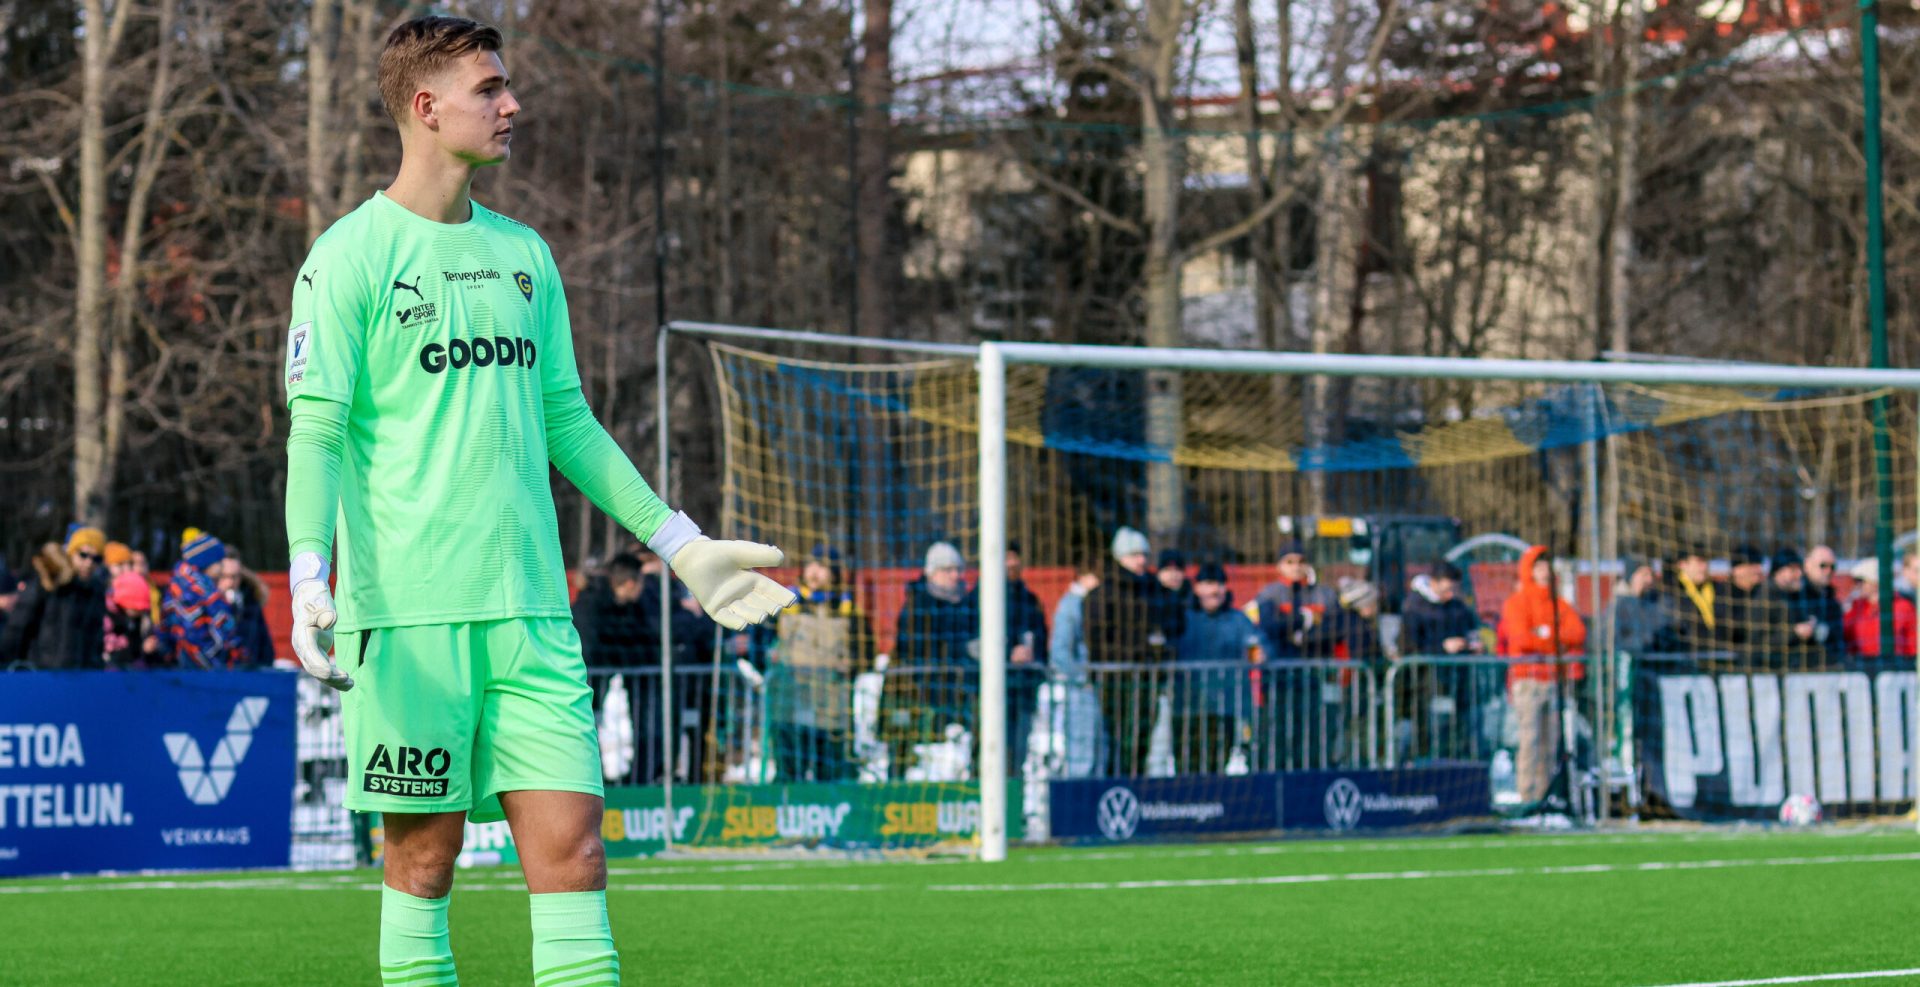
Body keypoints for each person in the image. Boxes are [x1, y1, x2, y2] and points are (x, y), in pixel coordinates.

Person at [280, 17, 793, 983]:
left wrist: (681, 543)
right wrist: (311, 571)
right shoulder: (349, 256)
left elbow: (569, 423)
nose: (512, 104)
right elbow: (316, 432)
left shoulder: (525, 255)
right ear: (426, 108)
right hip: (408, 618)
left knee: (576, 852)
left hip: (533, 614)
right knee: (423, 863)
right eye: (490, 89)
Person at [754, 545, 874, 783]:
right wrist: (770, 670)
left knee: (829, 775)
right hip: (790, 704)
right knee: (789, 772)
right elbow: (757, 641)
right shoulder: (786, 602)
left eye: (823, 567)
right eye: (811, 565)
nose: (815, 572)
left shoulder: (847, 609)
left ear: (835, 574)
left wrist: (849, 669)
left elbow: (866, 652)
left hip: (831, 707)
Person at [1083, 527, 1184, 776]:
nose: (1141, 560)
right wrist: (1138, 652)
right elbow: (1096, 641)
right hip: (1116, 682)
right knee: (1117, 741)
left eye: (1144, 555)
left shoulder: (1155, 591)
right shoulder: (1101, 595)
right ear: (1120, 557)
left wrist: (1161, 649)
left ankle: (1136, 785)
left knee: (1143, 741)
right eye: (1134, 555)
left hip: (1149, 680)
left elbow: (1177, 623)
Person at [1497, 545, 1587, 806]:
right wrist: (1553, 641)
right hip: (1528, 680)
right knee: (1530, 740)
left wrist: (1545, 634)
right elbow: (1521, 639)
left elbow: (1577, 633)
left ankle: (1544, 796)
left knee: (1551, 742)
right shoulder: (1517, 602)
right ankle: (1527, 796)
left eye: (1547, 565)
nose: (1544, 571)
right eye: (1538, 566)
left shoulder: (1559, 603)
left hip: (1553, 680)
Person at [889, 542, 979, 775]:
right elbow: (913, 648)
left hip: (956, 696)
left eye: (958, 569)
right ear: (933, 572)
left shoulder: (967, 605)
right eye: (948, 570)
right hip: (918, 696)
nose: (956, 575)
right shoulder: (917, 605)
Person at [1246, 541, 1338, 768]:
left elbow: (1334, 630)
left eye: (1300, 561)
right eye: (1289, 562)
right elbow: (1270, 626)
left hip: (1313, 675)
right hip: (1278, 676)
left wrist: (1303, 638)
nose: (1296, 566)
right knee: (1275, 734)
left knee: (1311, 735)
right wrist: (1304, 620)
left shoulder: (1323, 594)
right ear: (1279, 566)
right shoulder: (1270, 594)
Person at [1172, 563, 1260, 775]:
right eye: (1209, 583)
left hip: (1225, 707)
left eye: (1220, 584)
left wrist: (1260, 652)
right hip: (1189, 707)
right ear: (1197, 588)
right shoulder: (1183, 618)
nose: (1215, 590)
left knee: (1218, 765)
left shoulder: (1237, 619)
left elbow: (1258, 645)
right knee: (1187, 764)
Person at [0, 529, 109, 670]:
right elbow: (17, 628)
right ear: (71, 553)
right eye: (83, 555)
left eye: (96, 559)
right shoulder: (48, 584)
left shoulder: (96, 592)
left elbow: (97, 639)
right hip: (42, 673)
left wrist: (96, 667)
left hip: (84, 675)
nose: (89, 563)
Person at [1045, 558, 1106, 778]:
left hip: (1096, 688)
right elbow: (1059, 652)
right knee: (1082, 750)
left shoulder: (1095, 603)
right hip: (1081, 691)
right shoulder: (1071, 605)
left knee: (1100, 750)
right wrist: (1082, 676)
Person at [1003, 541, 1050, 776]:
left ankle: (1015, 796)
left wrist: (1034, 657)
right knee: (992, 752)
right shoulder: (979, 599)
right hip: (993, 692)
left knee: (1018, 753)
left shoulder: (1029, 600)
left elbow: (1042, 638)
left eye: (1015, 557)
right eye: (1006, 557)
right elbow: (971, 643)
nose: (1012, 563)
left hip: (1023, 689)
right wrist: (1007, 653)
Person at [163, 531, 238, 670]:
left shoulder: (183, 583)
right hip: (199, 663)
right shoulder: (198, 589)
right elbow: (214, 621)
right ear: (208, 562)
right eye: (219, 562)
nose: (222, 567)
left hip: (184, 660)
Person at [1766, 549, 1835, 662]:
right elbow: (1757, 641)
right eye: (1793, 569)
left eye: (1799, 569)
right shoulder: (1766, 598)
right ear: (1778, 571)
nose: (1799, 574)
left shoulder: (1795, 596)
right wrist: (1795, 633)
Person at [1843, 559, 1918, 658]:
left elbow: (1913, 643)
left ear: (1875, 582)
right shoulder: (1856, 609)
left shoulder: (1903, 607)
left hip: (1896, 665)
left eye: (1861, 581)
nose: (1858, 585)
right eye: (1856, 581)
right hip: (1861, 665)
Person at [1722, 544, 1785, 657]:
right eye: (1752, 565)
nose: (1758, 569)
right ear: (1737, 570)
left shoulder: (1766, 594)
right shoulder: (1723, 596)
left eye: (1759, 564)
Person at [1663, 545, 1727, 655]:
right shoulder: (1670, 592)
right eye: (1699, 562)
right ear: (1682, 564)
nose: (1704, 566)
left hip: (1720, 654)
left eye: (1706, 561)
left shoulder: (1720, 590)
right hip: (1685, 657)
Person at [219, 552, 277, 667]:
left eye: (234, 577)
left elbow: (266, 648)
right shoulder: (205, 608)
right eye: (224, 576)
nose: (230, 583)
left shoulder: (251, 604)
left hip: (248, 672)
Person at [104, 569, 162, 669]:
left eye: (141, 609)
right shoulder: (108, 619)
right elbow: (112, 654)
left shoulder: (138, 619)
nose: (140, 612)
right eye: (136, 608)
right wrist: (141, 648)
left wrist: (148, 649)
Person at [1799, 545, 1847, 659]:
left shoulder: (1832, 601)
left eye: (1832, 567)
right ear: (1807, 566)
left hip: (1832, 664)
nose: (1828, 571)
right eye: (1823, 565)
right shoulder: (1797, 596)